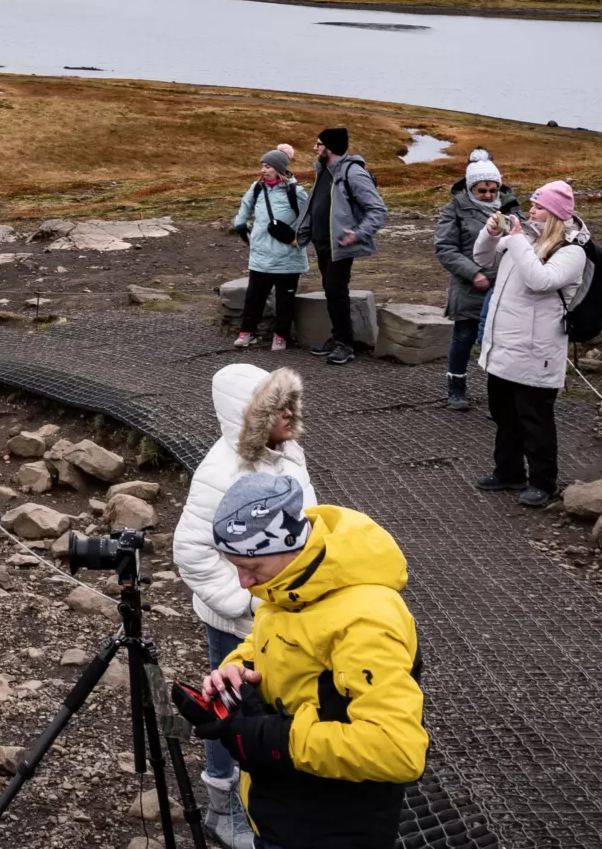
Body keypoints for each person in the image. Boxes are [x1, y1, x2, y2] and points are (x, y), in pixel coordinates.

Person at [197, 471, 428, 849]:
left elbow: (398, 750)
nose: (243, 583)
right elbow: (267, 638)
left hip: (334, 825)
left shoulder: (366, 620)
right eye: (234, 566)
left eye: (252, 568)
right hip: (283, 806)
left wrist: (269, 739)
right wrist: (236, 668)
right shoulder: (293, 584)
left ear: (290, 546)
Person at [174, 366, 315, 849]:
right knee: (226, 705)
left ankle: (266, 788)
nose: (290, 414)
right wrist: (247, 603)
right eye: (279, 407)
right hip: (240, 618)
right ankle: (223, 803)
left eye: (291, 402)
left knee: (271, 699)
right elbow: (191, 552)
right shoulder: (221, 472)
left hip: (282, 610)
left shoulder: (286, 453)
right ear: (251, 416)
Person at [473, 180, 589, 508]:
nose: (530, 210)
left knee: (534, 417)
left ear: (553, 214)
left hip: (537, 350)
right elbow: (483, 258)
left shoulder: (573, 252)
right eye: (532, 205)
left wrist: (515, 240)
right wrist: (491, 232)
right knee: (503, 412)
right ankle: (508, 470)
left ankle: (543, 480)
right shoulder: (523, 238)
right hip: (505, 344)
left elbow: (541, 281)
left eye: (538, 207)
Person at [432, 148, 515, 411]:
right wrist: (473, 273)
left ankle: (500, 393)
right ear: (470, 188)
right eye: (483, 190)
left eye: (493, 190)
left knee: (502, 341)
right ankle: (456, 388)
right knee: (464, 337)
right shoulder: (453, 210)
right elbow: (445, 248)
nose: (489, 195)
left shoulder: (511, 207)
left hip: (504, 286)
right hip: (470, 286)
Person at [304, 128, 386, 366]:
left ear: (329, 148)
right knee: (331, 292)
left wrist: (358, 234)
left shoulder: (353, 173)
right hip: (323, 244)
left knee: (336, 291)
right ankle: (338, 338)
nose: (315, 148)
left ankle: (345, 345)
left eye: (318, 144)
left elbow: (378, 210)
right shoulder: (324, 171)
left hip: (340, 245)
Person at [231, 149, 310, 351]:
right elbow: (244, 210)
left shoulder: (296, 193)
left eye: (268, 166)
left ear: (280, 169)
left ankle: (280, 336)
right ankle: (247, 332)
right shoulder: (257, 188)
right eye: (262, 166)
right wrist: (241, 227)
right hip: (261, 254)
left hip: (288, 257)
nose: (263, 170)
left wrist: (297, 240)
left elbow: (309, 221)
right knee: (254, 296)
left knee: (284, 300)